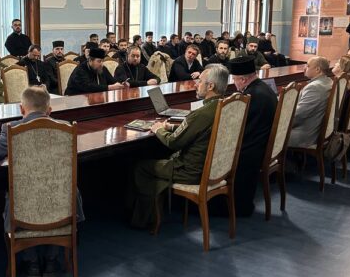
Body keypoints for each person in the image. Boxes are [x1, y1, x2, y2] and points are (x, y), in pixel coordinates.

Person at [0, 86, 84, 277]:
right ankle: (52, 260)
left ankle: (32, 263)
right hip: (61, 205)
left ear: (21, 109)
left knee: (19, 196)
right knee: (61, 195)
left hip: (24, 207)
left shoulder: (11, 129)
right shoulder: (66, 128)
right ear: (49, 110)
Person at [130, 65, 229, 228]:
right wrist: (171, 127)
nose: (196, 84)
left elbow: (173, 142)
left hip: (190, 172)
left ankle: (145, 220)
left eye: (200, 81)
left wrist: (158, 129)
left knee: (141, 167)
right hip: (214, 169)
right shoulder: (224, 106)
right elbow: (197, 130)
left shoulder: (202, 113)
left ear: (211, 86)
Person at [224, 56, 277, 217]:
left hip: (250, 152)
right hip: (262, 145)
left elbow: (239, 129)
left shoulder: (250, 96)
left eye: (234, 79)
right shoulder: (263, 88)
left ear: (243, 79)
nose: (234, 83)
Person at [288, 57, 333, 148]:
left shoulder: (314, 87)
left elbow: (298, 115)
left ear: (317, 69)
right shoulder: (328, 81)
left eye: (308, 66)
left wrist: (278, 124)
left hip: (304, 136)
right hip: (314, 130)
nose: (304, 68)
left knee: (266, 134)